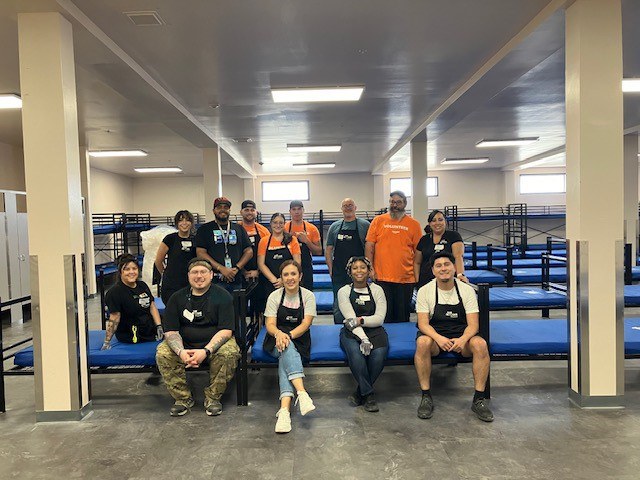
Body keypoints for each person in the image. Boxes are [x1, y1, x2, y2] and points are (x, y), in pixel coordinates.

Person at [414, 251, 493, 422]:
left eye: (447, 264)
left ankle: (479, 398)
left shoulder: (466, 290)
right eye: (439, 266)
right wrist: (439, 339)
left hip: (461, 336)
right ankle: (426, 396)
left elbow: (473, 325)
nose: (443, 269)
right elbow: (423, 324)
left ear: (454, 267)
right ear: (433, 271)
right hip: (436, 337)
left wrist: (463, 340)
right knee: (422, 342)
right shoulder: (424, 291)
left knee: (480, 344)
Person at [156, 258, 240, 416]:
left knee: (229, 352)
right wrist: (181, 352)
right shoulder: (176, 298)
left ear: (211, 274)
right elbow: (171, 331)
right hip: (184, 344)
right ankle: (183, 398)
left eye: (203, 272)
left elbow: (226, 331)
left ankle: (213, 398)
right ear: (188, 275)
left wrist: (205, 351)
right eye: (194, 272)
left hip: (213, 345)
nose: (199, 276)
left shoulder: (223, 296)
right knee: (163, 353)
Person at [263, 260, 316, 433]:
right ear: (281, 278)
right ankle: (301, 393)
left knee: (285, 350)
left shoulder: (308, 295)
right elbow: (270, 324)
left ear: (300, 276)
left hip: (298, 336)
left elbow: (306, 323)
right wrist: (279, 334)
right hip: (276, 336)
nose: (290, 278)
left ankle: (284, 411)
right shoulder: (275, 296)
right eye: (286, 274)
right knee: (285, 347)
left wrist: (289, 336)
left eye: (293, 274)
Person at [338, 256, 387, 412]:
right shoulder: (344, 291)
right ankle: (369, 395)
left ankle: (360, 392)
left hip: (375, 330)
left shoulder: (377, 290)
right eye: (355, 268)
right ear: (350, 272)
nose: (359, 271)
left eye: (362, 267)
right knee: (356, 355)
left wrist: (361, 320)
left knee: (379, 355)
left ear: (368, 270)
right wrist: (363, 338)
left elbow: (379, 319)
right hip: (351, 332)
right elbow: (350, 321)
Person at [365, 191, 422, 323]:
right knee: (384, 315)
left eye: (398, 202)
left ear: (405, 204)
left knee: (402, 316)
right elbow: (369, 246)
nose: (394, 205)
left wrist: (416, 274)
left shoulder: (413, 224)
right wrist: (370, 268)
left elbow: (418, 252)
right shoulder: (378, 221)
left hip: (405, 278)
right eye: (392, 202)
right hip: (382, 276)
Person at [102, 253, 163, 349]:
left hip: (149, 328)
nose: (131, 272)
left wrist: (159, 326)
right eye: (127, 269)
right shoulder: (114, 292)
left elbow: (152, 306)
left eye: (134, 269)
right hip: (131, 334)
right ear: (120, 272)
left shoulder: (142, 285)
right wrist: (107, 341)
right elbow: (114, 317)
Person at [326, 198, 370, 324]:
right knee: (339, 300)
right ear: (341, 209)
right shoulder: (334, 227)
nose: (348, 208)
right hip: (339, 271)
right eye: (345, 206)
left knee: (359, 299)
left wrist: (369, 268)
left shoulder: (364, 225)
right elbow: (329, 249)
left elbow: (370, 247)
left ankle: (361, 324)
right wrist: (330, 269)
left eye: (350, 205)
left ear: (355, 207)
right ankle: (339, 326)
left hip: (359, 271)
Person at [195, 197, 253, 294]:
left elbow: (249, 251)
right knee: (215, 308)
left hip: (236, 278)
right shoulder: (204, 229)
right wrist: (221, 268)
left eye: (226, 207)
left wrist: (237, 268)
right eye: (219, 207)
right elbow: (200, 253)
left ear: (229, 210)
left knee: (237, 308)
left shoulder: (239, 228)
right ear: (214, 211)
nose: (223, 210)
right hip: (214, 280)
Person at [414, 209, 466, 289]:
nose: (437, 223)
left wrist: (460, 275)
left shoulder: (454, 236)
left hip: (447, 281)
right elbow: (417, 262)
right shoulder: (424, 239)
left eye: (440, 220)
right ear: (430, 223)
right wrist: (417, 280)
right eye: (434, 220)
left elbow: (458, 257)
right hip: (425, 282)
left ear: (445, 221)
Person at [154, 210, 197, 306]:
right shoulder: (170, 239)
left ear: (191, 223)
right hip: (172, 284)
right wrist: (165, 274)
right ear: (177, 223)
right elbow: (158, 261)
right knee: (172, 310)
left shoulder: (196, 239)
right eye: (181, 220)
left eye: (187, 220)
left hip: (190, 282)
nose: (184, 223)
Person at [258, 213, 302, 297]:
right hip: (270, 283)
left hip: (289, 282)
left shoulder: (292, 240)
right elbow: (261, 264)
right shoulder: (264, 241)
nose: (278, 225)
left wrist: (284, 280)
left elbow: (297, 262)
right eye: (275, 222)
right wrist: (275, 281)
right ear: (270, 224)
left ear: (284, 224)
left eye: (281, 223)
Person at [239, 200, 270, 313]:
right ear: (241, 212)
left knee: (260, 308)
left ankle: (259, 329)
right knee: (239, 308)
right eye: (246, 210)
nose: (249, 212)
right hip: (239, 275)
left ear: (256, 212)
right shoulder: (235, 229)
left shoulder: (263, 231)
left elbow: (268, 254)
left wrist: (258, 271)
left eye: (252, 210)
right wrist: (242, 271)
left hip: (259, 275)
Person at [285, 200, 322, 290]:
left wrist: (307, 241)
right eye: (294, 209)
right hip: (287, 267)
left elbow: (319, 251)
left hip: (306, 268)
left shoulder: (312, 228)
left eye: (299, 209)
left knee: (307, 293)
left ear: (303, 210)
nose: (297, 212)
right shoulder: (284, 228)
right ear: (290, 212)